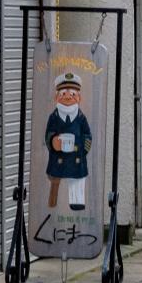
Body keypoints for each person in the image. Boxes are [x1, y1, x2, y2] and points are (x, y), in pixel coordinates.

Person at [45, 72, 92, 212]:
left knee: (77, 183)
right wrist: (53, 142)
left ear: (79, 98)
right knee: (54, 187)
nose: (67, 97)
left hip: (76, 160)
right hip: (58, 159)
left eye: (72, 94)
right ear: (56, 97)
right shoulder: (53, 117)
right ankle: (52, 206)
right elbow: (48, 134)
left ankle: (77, 204)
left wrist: (83, 149)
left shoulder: (81, 118)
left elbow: (88, 136)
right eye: (63, 93)